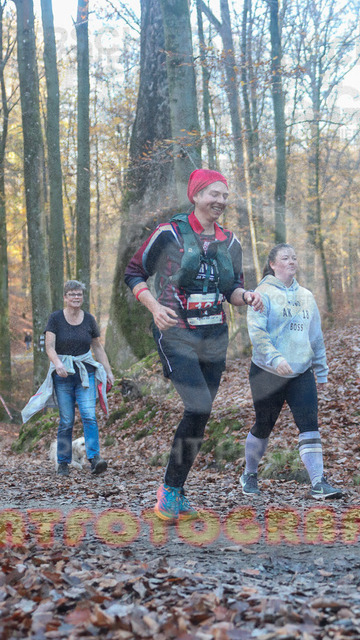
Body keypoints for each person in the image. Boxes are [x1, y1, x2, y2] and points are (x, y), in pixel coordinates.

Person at [125, 168, 263, 521]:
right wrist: (154, 308)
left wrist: (246, 296)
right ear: (196, 195)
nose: (221, 201)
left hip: (214, 336)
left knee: (200, 414)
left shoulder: (230, 242)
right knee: (198, 406)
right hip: (176, 333)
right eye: (214, 194)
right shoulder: (168, 233)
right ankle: (169, 491)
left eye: (225, 195)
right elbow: (134, 272)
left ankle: (177, 490)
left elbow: (232, 290)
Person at [241, 243, 343, 500]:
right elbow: (257, 333)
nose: (291, 261)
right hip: (267, 372)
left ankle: (318, 482)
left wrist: (321, 370)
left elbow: (315, 336)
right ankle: (250, 474)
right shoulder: (261, 294)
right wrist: (275, 359)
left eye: (294, 258)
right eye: (285, 258)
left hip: (301, 372)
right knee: (264, 424)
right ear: (273, 264)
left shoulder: (306, 296)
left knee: (309, 424)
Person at [44, 280, 115, 477]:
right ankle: (63, 462)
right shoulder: (55, 318)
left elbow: (97, 347)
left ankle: (94, 459)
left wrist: (108, 371)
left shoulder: (89, 319)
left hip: (86, 374)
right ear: (65, 297)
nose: (76, 297)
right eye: (72, 294)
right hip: (63, 375)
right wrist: (58, 364)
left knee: (89, 416)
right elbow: (49, 346)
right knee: (66, 420)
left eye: (79, 294)